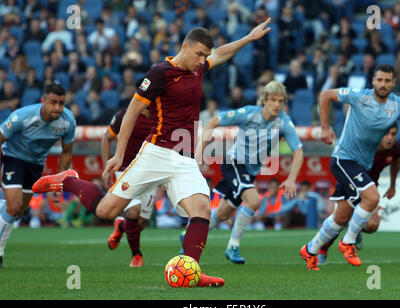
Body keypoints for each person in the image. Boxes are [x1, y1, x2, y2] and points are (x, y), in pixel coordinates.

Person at [32, 19, 273, 287]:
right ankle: (67, 179)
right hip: (156, 154)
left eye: (205, 56)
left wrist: (248, 38)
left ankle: (191, 272)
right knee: (105, 211)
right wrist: (119, 154)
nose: (202, 60)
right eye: (199, 54)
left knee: (202, 209)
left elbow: (221, 54)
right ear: (185, 46)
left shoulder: (198, 68)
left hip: (184, 158)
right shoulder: (160, 73)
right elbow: (132, 111)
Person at [299, 64, 400, 270]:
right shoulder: (359, 96)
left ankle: (310, 249)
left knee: (341, 217)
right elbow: (325, 95)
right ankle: (348, 242)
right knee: (372, 198)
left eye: (387, 81)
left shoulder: (399, 105)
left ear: (394, 83)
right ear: (373, 81)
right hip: (344, 158)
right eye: (379, 80)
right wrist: (324, 128)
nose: (383, 84)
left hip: (361, 166)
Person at [198, 80, 304, 264]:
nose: (276, 104)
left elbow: (299, 151)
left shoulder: (284, 122)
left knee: (223, 213)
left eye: (280, 101)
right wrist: (200, 153)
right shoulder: (248, 113)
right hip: (234, 163)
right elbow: (214, 121)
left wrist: (292, 178)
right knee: (254, 201)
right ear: (264, 100)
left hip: (250, 170)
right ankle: (233, 246)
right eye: (272, 100)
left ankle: (191, 235)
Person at [0, 83, 76, 269]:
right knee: (14, 207)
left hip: (35, 164)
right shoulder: (22, 117)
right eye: (53, 103)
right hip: (13, 157)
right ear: (43, 101)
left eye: (61, 103)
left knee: (18, 212)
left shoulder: (68, 122)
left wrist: (59, 185)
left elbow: (66, 153)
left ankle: (2, 206)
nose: (57, 108)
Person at [317, 124, 400, 264]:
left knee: (372, 225)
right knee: (339, 221)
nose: (389, 138)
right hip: (349, 184)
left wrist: (392, 186)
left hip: (369, 190)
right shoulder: (365, 146)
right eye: (386, 134)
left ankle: (354, 230)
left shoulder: (395, 149)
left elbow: (396, 161)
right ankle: (322, 250)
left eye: (393, 134)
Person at [101, 106, 156, 267]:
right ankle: (136, 255)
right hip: (124, 170)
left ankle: (121, 225)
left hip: (150, 172)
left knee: (142, 222)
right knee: (134, 211)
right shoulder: (125, 114)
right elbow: (106, 138)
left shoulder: (159, 114)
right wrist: (107, 168)